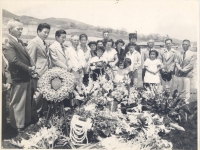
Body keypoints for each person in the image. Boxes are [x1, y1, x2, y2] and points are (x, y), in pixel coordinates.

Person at [3, 19, 35, 132]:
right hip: (17, 75)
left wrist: (32, 66)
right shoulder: (7, 41)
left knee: (25, 100)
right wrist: (28, 68)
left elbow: (26, 56)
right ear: (10, 29)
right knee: (17, 101)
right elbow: (13, 61)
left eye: (22, 29)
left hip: (25, 75)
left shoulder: (19, 41)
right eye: (18, 29)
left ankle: (24, 122)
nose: (21, 31)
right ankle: (16, 125)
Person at [27, 23, 51, 120]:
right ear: (38, 32)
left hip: (45, 72)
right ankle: (35, 115)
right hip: (38, 72)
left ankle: (41, 113)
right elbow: (31, 58)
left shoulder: (45, 43)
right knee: (38, 94)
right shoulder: (33, 42)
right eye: (45, 32)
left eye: (48, 33)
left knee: (43, 93)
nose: (46, 34)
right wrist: (33, 72)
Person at [2, 43, 12, 138]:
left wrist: (8, 82)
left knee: (3, 109)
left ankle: (3, 129)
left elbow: (6, 70)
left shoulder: (2, 56)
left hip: (3, 87)